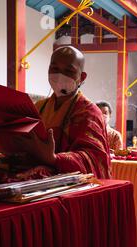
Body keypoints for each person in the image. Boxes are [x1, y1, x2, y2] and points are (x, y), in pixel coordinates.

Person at [17, 46, 111, 179]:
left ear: (82, 77)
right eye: (54, 69)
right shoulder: (38, 107)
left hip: (70, 182)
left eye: (69, 71)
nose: (60, 75)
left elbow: (94, 159)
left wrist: (55, 159)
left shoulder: (89, 112)